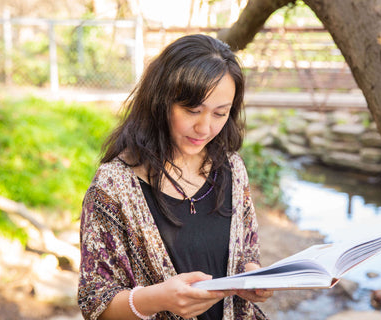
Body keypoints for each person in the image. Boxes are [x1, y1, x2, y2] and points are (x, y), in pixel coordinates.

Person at [77, 34, 273, 320]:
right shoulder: (114, 186)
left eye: (220, 114)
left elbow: (244, 255)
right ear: (160, 101)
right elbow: (95, 302)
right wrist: (157, 299)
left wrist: (251, 277)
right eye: (192, 110)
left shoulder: (232, 168)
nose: (204, 128)